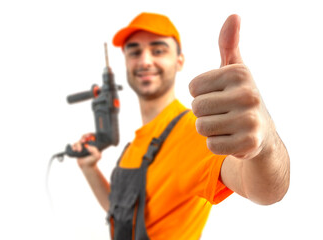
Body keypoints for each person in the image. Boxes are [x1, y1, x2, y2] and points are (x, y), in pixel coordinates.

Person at [72, 12, 290, 240]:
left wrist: (266, 146)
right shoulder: (132, 147)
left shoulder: (196, 131)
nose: (145, 60)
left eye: (158, 50)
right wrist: (90, 169)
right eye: (135, 51)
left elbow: (266, 190)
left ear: (179, 60)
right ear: (126, 62)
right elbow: (121, 214)